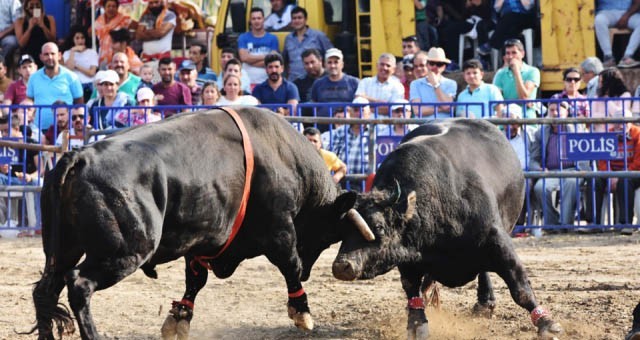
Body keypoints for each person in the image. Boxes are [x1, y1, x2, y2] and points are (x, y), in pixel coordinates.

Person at [530, 102, 586, 227]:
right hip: (551, 171)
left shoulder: (577, 129)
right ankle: (552, 224)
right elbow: (534, 158)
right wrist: (539, 169)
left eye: (558, 111)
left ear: (566, 113)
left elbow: (585, 156)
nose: (555, 114)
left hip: (573, 169)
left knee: (571, 183)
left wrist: (582, 170)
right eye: (551, 110)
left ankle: (566, 224)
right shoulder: (541, 133)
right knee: (540, 188)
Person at [586, 111, 640, 225]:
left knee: (625, 181)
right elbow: (602, 160)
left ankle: (625, 223)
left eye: (623, 123)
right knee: (593, 179)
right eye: (616, 123)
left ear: (630, 123)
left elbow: (638, 162)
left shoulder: (638, 134)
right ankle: (592, 223)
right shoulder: (607, 134)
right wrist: (610, 175)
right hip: (611, 173)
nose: (620, 126)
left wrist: (621, 175)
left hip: (632, 172)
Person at [27, 42, 83, 130]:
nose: (50, 57)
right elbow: (29, 100)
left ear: (59, 55)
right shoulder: (33, 78)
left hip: (65, 130)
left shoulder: (71, 77)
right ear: (41, 57)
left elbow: (79, 104)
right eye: (46, 54)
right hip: (40, 130)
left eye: (53, 54)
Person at [324, 97, 371, 191]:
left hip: (366, 182)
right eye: (356, 110)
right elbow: (331, 154)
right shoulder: (340, 132)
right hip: (342, 180)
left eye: (362, 110)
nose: (359, 114)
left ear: (369, 113)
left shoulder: (374, 133)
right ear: (350, 112)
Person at [309, 48, 360, 129]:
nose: (333, 66)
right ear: (325, 65)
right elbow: (313, 104)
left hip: (348, 128)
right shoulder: (318, 84)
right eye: (329, 62)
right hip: (323, 128)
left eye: (336, 62)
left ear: (342, 64)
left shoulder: (354, 82)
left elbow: (359, 106)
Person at [492, 39, 540, 119]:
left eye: (514, 53)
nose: (510, 56)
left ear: (522, 54)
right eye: (508, 53)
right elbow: (497, 99)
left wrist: (516, 71)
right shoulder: (500, 73)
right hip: (506, 119)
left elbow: (524, 97)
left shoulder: (532, 71)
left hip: (526, 119)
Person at [282, 7, 333, 81]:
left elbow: (331, 55)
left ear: (305, 19)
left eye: (300, 18)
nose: (297, 20)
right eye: (294, 18)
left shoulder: (318, 36)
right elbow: (284, 61)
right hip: (293, 81)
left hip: (315, 81)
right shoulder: (288, 38)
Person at [410, 47, 457, 118]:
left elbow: (447, 106)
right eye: (432, 63)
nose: (435, 67)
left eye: (439, 64)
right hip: (423, 125)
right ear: (427, 65)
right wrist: (440, 109)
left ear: (444, 67)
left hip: (444, 126)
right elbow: (417, 111)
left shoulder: (451, 83)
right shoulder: (415, 84)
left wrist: (436, 85)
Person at [238, 8, 280, 87]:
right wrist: (265, 57)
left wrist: (250, 61)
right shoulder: (243, 38)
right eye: (253, 19)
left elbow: (272, 61)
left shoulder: (273, 39)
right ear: (250, 21)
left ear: (263, 19)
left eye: (259, 18)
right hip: (247, 83)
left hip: (267, 83)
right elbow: (244, 58)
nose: (256, 21)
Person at [135, 0, 176, 80]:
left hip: (162, 61)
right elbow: (138, 35)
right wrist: (155, 33)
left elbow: (161, 33)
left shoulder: (170, 15)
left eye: (156, 2)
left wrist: (146, 32)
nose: (153, 5)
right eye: (151, 3)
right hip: (146, 60)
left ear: (162, 2)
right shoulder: (145, 16)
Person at [594, 0, 640, 68]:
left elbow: (637, 2)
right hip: (606, 12)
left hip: (628, 12)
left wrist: (626, 16)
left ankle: (627, 56)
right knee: (599, 20)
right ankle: (608, 57)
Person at [14, 0, 56, 69]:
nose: (35, 8)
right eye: (31, 7)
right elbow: (21, 44)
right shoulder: (20, 21)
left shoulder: (49, 19)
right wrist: (30, 28)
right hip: (28, 53)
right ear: (26, 8)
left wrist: (43, 26)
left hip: (45, 52)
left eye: (37, 6)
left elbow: (53, 40)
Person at [62, 25, 98, 103]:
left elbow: (92, 72)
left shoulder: (92, 52)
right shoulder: (67, 53)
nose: (80, 41)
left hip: (89, 86)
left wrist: (77, 66)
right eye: (77, 38)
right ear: (73, 39)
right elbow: (69, 69)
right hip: (73, 85)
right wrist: (72, 51)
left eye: (82, 38)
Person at [591, 67, 632, 132]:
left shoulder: (625, 95)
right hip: (599, 133)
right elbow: (592, 116)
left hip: (617, 133)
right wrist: (610, 117)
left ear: (610, 82)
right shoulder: (597, 97)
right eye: (599, 82)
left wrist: (607, 100)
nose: (600, 85)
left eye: (602, 82)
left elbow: (621, 115)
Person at [94, 0, 132, 68]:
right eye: (108, 6)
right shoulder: (99, 21)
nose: (111, 8)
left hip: (118, 50)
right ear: (104, 8)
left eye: (113, 6)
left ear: (117, 8)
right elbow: (91, 32)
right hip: (103, 51)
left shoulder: (123, 19)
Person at [0, 0, 21, 65]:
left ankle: (2, 65)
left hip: (7, 34)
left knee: (11, 43)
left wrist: (2, 34)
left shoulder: (13, 1)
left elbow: (17, 22)